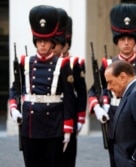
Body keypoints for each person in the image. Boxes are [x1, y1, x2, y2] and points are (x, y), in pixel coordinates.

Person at [88, 3, 136, 167]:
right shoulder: (107, 64)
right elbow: (95, 90)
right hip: (113, 119)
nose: (126, 43)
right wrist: (98, 108)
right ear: (116, 41)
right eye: (122, 39)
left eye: (130, 39)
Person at [8, 5, 75, 167]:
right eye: (39, 41)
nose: (42, 45)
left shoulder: (62, 64)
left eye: (46, 41)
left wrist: (67, 128)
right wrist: (14, 108)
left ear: (52, 43)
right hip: (30, 126)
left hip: (53, 126)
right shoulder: (25, 63)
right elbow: (15, 89)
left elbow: (69, 98)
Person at [62, 16, 87, 167]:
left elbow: (82, 93)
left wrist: (81, 118)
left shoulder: (75, 63)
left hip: (71, 115)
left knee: (68, 158)